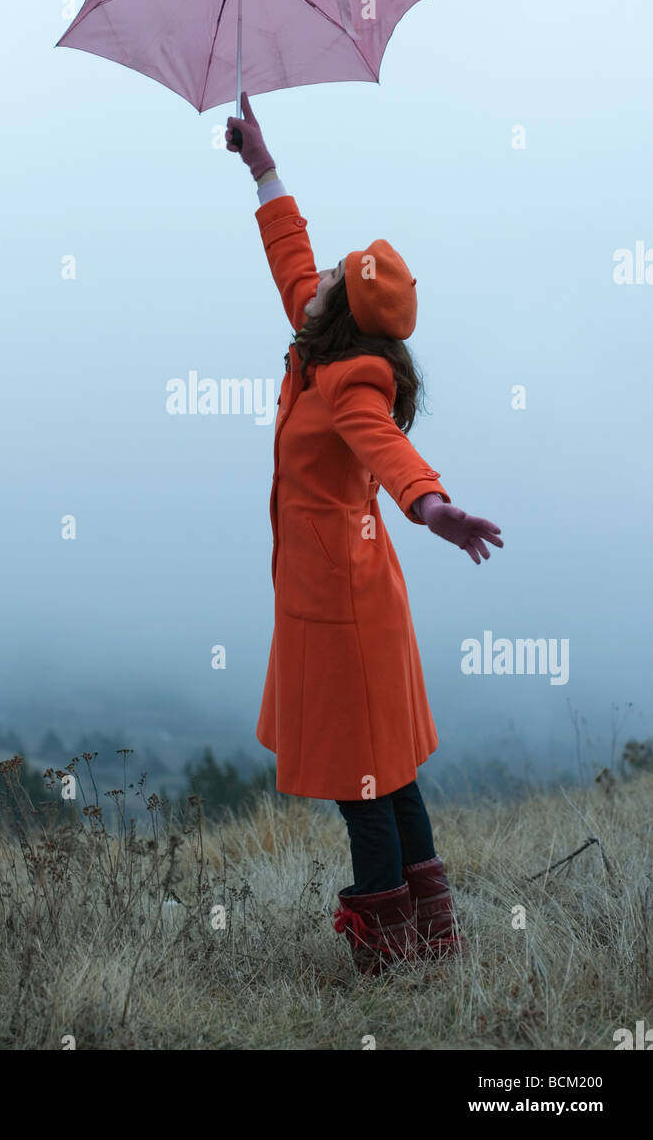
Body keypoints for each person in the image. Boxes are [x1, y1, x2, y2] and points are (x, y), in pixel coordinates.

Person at [225, 93, 504, 976]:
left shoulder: (352, 376)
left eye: (341, 275)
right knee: (389, 768)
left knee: (362, 780)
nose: (327, 276)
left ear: (348, 302)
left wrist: (431, 506)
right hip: (343, 592)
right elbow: (289, 257)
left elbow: (384, 449)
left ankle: (385, 948)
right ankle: (432, 935)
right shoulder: (317, 328)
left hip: (340, 604)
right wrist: (261, 165)